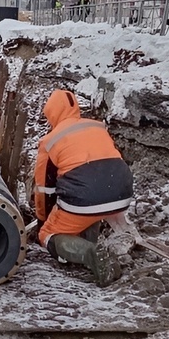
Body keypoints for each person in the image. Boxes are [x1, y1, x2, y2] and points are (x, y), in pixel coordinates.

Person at [32, 89, 133, 286]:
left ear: (52, 113)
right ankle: (90, 243)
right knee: (88, 203)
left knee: (49, 234)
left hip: (87, 199)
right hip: (122, 193)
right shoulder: (96, 126)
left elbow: (44, 189)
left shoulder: (50, 141)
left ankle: (92, 254)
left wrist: (42, 221)